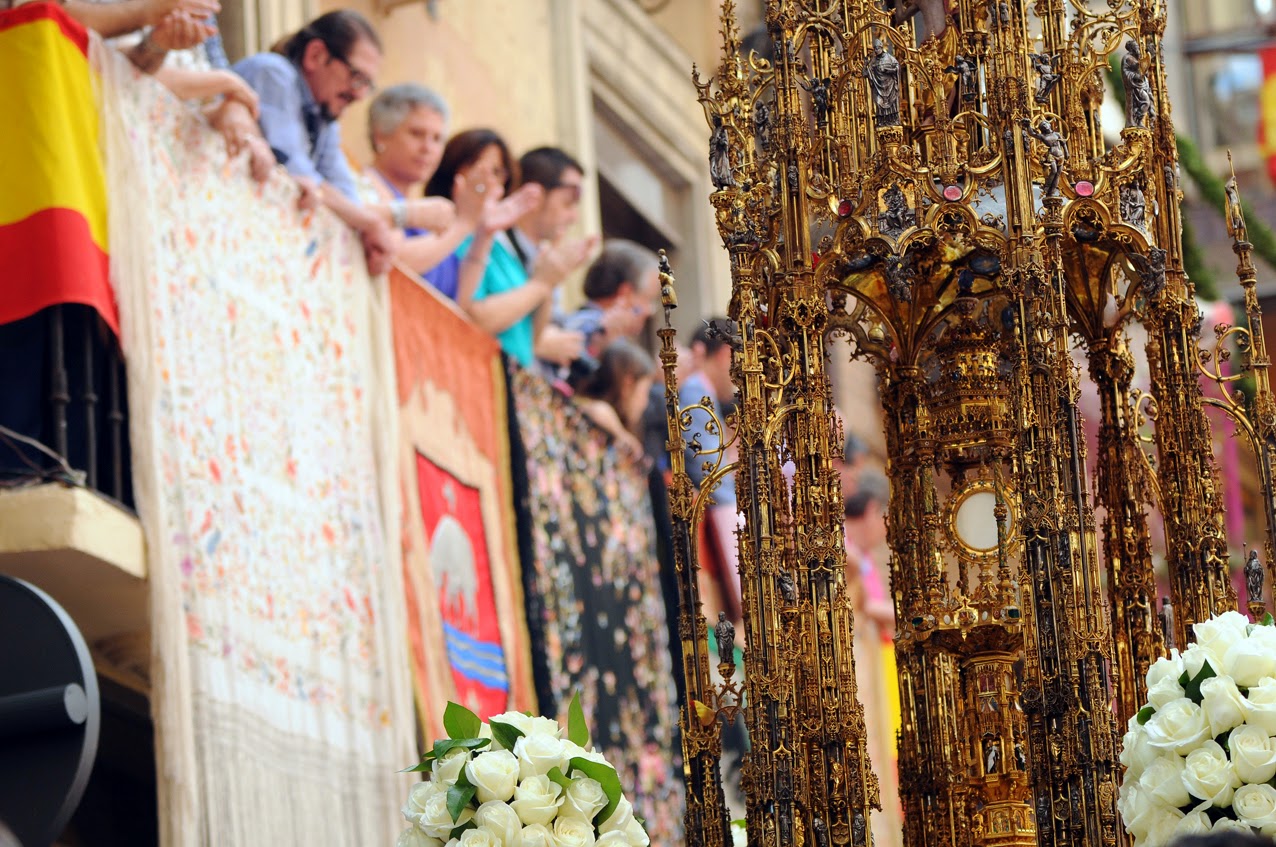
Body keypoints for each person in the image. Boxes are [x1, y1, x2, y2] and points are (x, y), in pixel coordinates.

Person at [229, 10, 398, 274]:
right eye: (357, 78)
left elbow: (342, 191)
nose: (360, 94)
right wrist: (369, 222)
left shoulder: (325, 117)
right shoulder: (273, 73)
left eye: (367, 85)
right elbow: (296, 171)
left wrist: (366, 223)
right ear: (315, 55)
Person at [455, 144, 596, 369]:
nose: (573, 217)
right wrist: (542, 284)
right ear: (536, 196)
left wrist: (552, 278)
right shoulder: (482, 240)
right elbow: (473, 319)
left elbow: (531, 342)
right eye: (568, 203)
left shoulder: (532, 258)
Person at [563, 239, 661, 361]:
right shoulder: (590, 329)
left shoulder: (585, 323)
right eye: (648, 299)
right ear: (625, 294)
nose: (650, 310)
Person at [574, 338, 659, 458]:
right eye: (644, 393)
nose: (645, 403)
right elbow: (598, 410)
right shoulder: (590, 413)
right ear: (627, 384)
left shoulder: (625, 425)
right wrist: (621, 435)